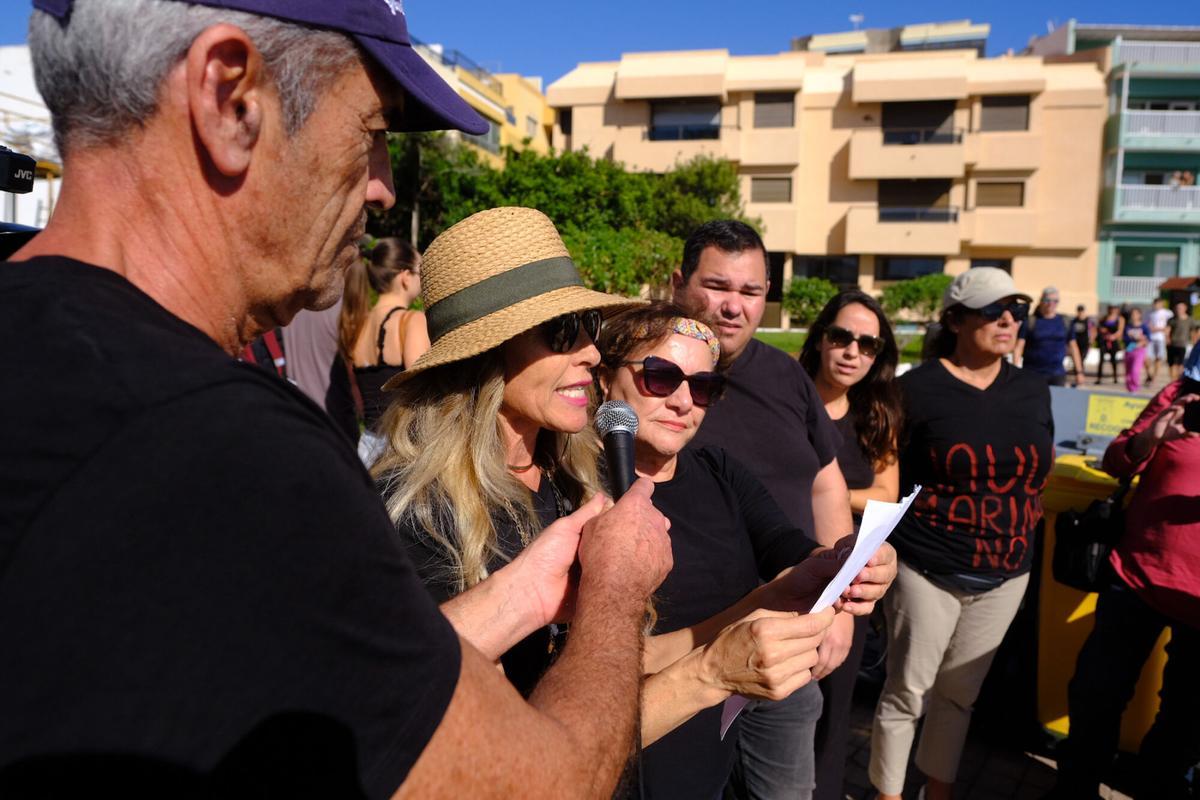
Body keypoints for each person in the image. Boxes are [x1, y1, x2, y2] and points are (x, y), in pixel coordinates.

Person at [1, 2, 673, 798]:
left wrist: (528, 593)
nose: (384, 187)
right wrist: (616, 596)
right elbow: (546, 785)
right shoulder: (227, 451)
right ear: (230, 99)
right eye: (371, 129)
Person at [594, 302, 896, 800]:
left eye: (703, 387)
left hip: (710, 747)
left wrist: (858, 559)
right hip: (623, 756)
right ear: (606, 380)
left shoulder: (719, 470)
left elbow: (791, 546)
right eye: (661, 377)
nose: (683, 401)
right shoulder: (572, 490)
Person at [671, 220, 856, 800]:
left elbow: (827, 486)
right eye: (717, 286)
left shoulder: (786, 376)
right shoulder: (645, 374)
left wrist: (841, 607)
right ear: (679, 283)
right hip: (681, 647)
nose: (733, 307)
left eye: (750, 293)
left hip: (788, 645)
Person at [869, 268, 1053, 800]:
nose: (1008, 321)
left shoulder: (1034, 390)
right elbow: (887, 479)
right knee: (908, 693)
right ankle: (887, 793)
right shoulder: (914, 390)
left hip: (1006, 574)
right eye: (994, 311)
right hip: (927, 568)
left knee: (958, 697)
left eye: (1016, 311)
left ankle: (939, 791)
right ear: (954, 320)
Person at [1051, 378, 1200, 799]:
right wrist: (1148, 441)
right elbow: (1115, 461)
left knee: (1185, 715)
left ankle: (1156, 785)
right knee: (1095, 694)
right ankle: (1075, 788)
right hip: (1135, 577)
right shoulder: (1181, 393)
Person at [798, 291, 904, 800]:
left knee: (834, 710)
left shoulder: (876, 413)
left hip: (849, 586)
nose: (851, 352)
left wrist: (824, 487)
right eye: (841, 337)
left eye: (867, 344)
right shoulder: (788, 400)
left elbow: (887, 493)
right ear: (821, 339)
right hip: (782, 573)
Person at [340, 237, 430, 464]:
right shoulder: (411, 321)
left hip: (367, 447)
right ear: (404, 276)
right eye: (420, 273)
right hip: (401, 450)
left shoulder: (356, 325)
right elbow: (423, 391)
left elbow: (355, 392)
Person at [282, 301, 360, 442]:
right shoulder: (344, 303)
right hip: (336, 421)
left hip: (299, 415)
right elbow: (355, 369)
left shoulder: (291, 303)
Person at [1014, 286, 1084, 387]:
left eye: (1055, 301)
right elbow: (1018, 347)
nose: (1051, 304)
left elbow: (1073, 347)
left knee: (1057, 402)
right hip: (1032, 374)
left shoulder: (1065, 322)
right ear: (1041, 301)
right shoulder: (1030, 321)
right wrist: (1016, 372)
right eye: (1047, 300)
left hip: (1057, 375)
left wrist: (1079, 372)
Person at [1167, 301, 1197, 382]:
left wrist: (1194, 342)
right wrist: (1167, 339)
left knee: (1181, 365)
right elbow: (1168, 330)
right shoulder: (1172, 320)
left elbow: (1193, 332)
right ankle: (1173, 381)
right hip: (1172, 344)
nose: (1178, 310)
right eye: (1177, 308)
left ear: (1185, 309)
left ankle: (1178, 380)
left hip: (1183, 345)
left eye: (1180, 308)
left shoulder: (1190, 320)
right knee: (1172, 364)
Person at [1124, 307, 1151, 393]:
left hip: (1139, 351)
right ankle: (1129, 389)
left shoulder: (1144, 327)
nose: (1134, 316)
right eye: (1132, 314)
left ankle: (1135, 388)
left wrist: (1142, 341)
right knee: (1128, 373)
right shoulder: (1128, 327)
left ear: (1140, 315)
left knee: (1135, 370)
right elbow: (1124, 339)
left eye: (1136, 314)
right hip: (1129, 350)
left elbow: (1148, 339)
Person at [1097, 305, 1125, 385]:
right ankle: (1099, 378)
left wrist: (1113, 336)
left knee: (1113, 360)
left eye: (1114, 308)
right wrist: (1103, 331)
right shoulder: (1104, 318)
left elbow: (1120, 331)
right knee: (1101, 359)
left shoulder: (1120, 319)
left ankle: (1115, 377)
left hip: (1113, 341)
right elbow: (1099, 327)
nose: (1113, 310)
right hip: (1104, 341)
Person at [1146, 297, 1172, 385]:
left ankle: (1154, 377)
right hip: (1151, 338)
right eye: (1155, 304)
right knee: (1147, 358)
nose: (1156, 305)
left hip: (1161, 338)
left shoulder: (1167, 313)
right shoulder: (1150, 313)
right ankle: (1148, 374)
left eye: (1158, 303)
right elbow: (1148, 326)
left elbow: (1169, 326)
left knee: (1158, 358)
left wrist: (1166, 334)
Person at [1069, 304, 1094, 385]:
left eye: (1081, 311)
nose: (1080, 313)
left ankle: (1080, 374)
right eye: (1079, 311)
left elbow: (1093, 330)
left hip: (1085, 343)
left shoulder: (1088, 321)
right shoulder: (1074, 321)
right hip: (1076, 343)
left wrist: (1092, 340)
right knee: (1077, 359)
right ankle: (1079, 374)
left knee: (1082, 359)